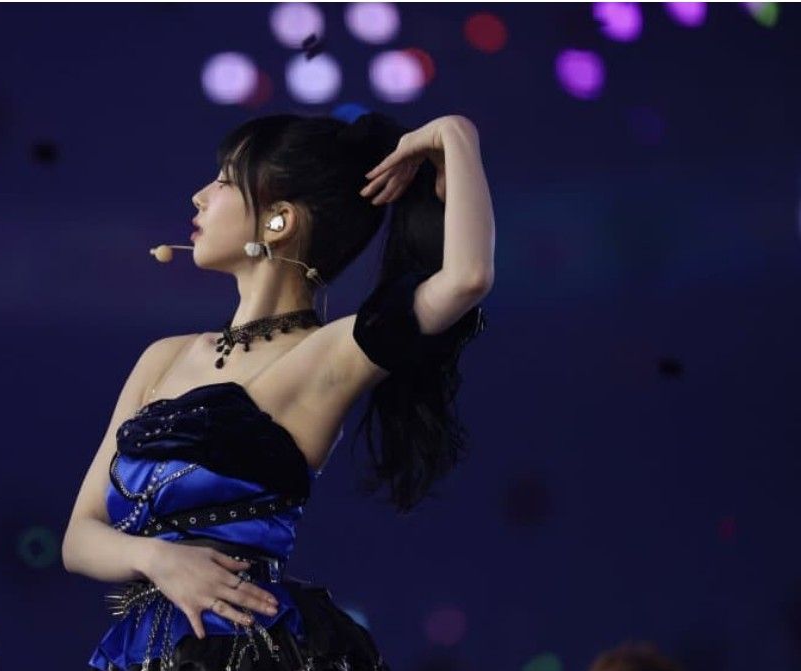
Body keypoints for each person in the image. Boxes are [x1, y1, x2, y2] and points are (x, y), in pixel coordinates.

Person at [62, 111, 495, 671]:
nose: (199, 196)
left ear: (278, 220)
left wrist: (457, 134)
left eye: (224, 180)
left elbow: (466, 279)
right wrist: (159, 561)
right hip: (135, 650)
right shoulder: (162, 357)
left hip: (242, 650)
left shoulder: (327, 355)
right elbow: (78, 539)